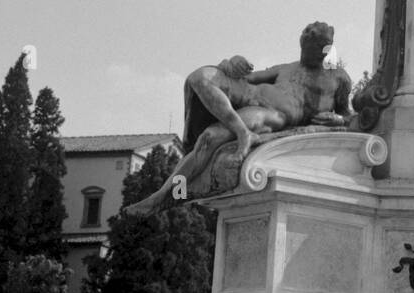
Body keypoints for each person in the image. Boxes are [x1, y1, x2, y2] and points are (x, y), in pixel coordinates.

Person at [127, 23, 351, 214]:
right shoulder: (287, 68)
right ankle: (242, 133)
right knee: (200, 77)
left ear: (325, 50)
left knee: (208, 137)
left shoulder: (338, 78)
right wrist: (229, 64)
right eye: (305, 46)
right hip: (248, 94)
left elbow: (350, 116)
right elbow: (247, 77)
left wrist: (340, 120)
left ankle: (168, 195)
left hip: (270, 114)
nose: (307, 53)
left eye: (314, 48)